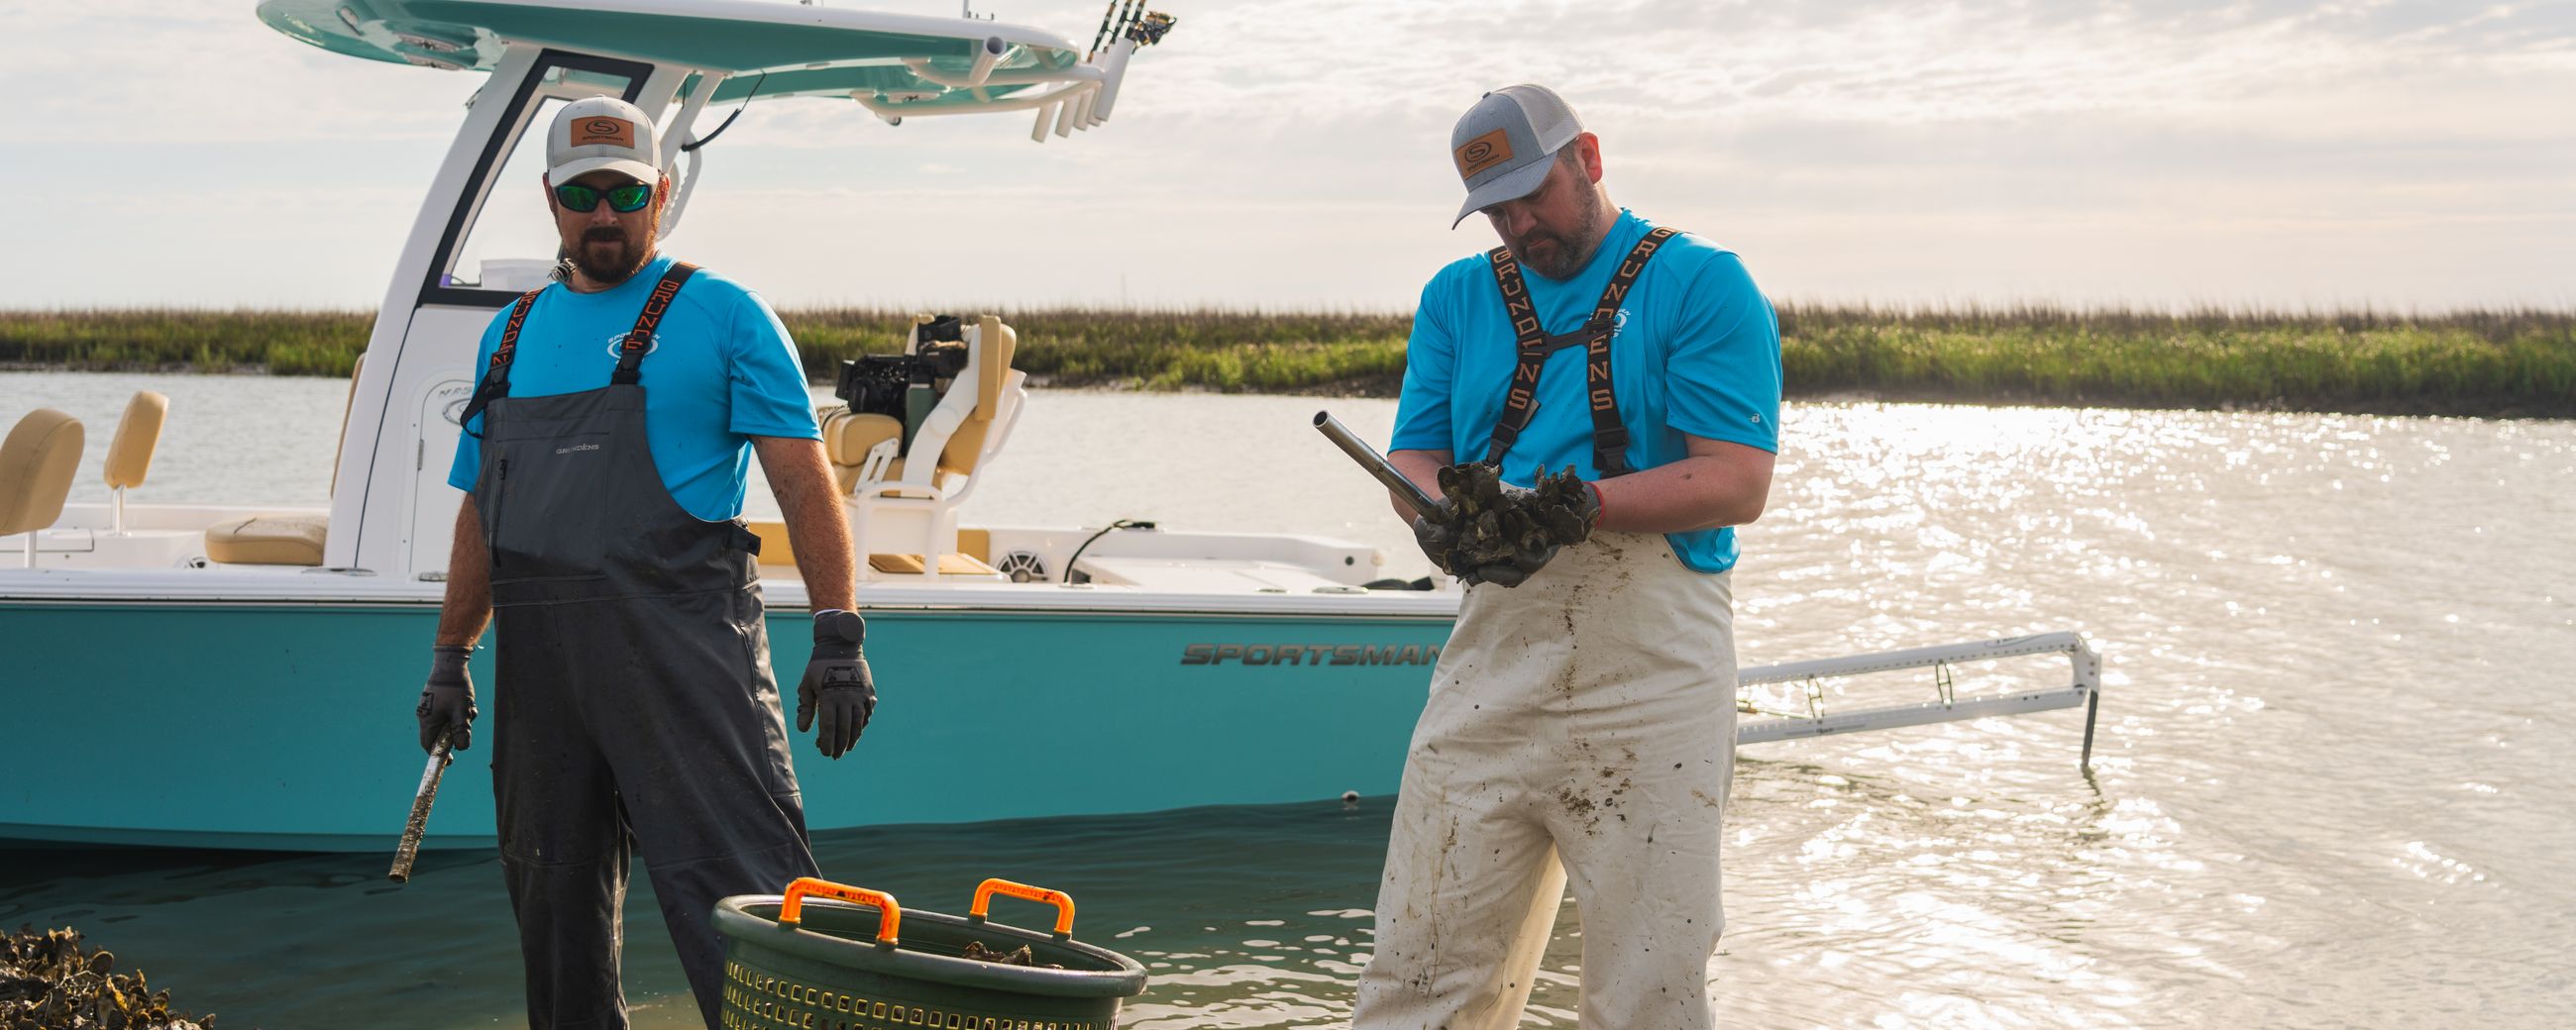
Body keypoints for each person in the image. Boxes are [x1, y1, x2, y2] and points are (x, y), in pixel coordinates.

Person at [410, 96, 878, 1030]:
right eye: (581, 193)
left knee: (747, 900)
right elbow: (480, 512)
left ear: (660, 193)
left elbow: (802, 479)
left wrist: (838, 631)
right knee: (553, 907)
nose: (604, 214)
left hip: (686, 659)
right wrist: (450, 656)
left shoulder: (725, 315)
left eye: (624, 192)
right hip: (543, 681)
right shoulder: (508, 335)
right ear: (551, 201)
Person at [1351, 84, 1781, 1029]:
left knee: (1648, 985)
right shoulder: (1457, 296)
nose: (1517, 224)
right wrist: (1436, 509)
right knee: (1417, 973)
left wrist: (1574, 505)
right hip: (1493, 658)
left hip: (1654, 672)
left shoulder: (1703, 283)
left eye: (1531, 195)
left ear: (1587, 156)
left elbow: (1736, 481)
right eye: (1496, 210)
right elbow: (1414, 451)